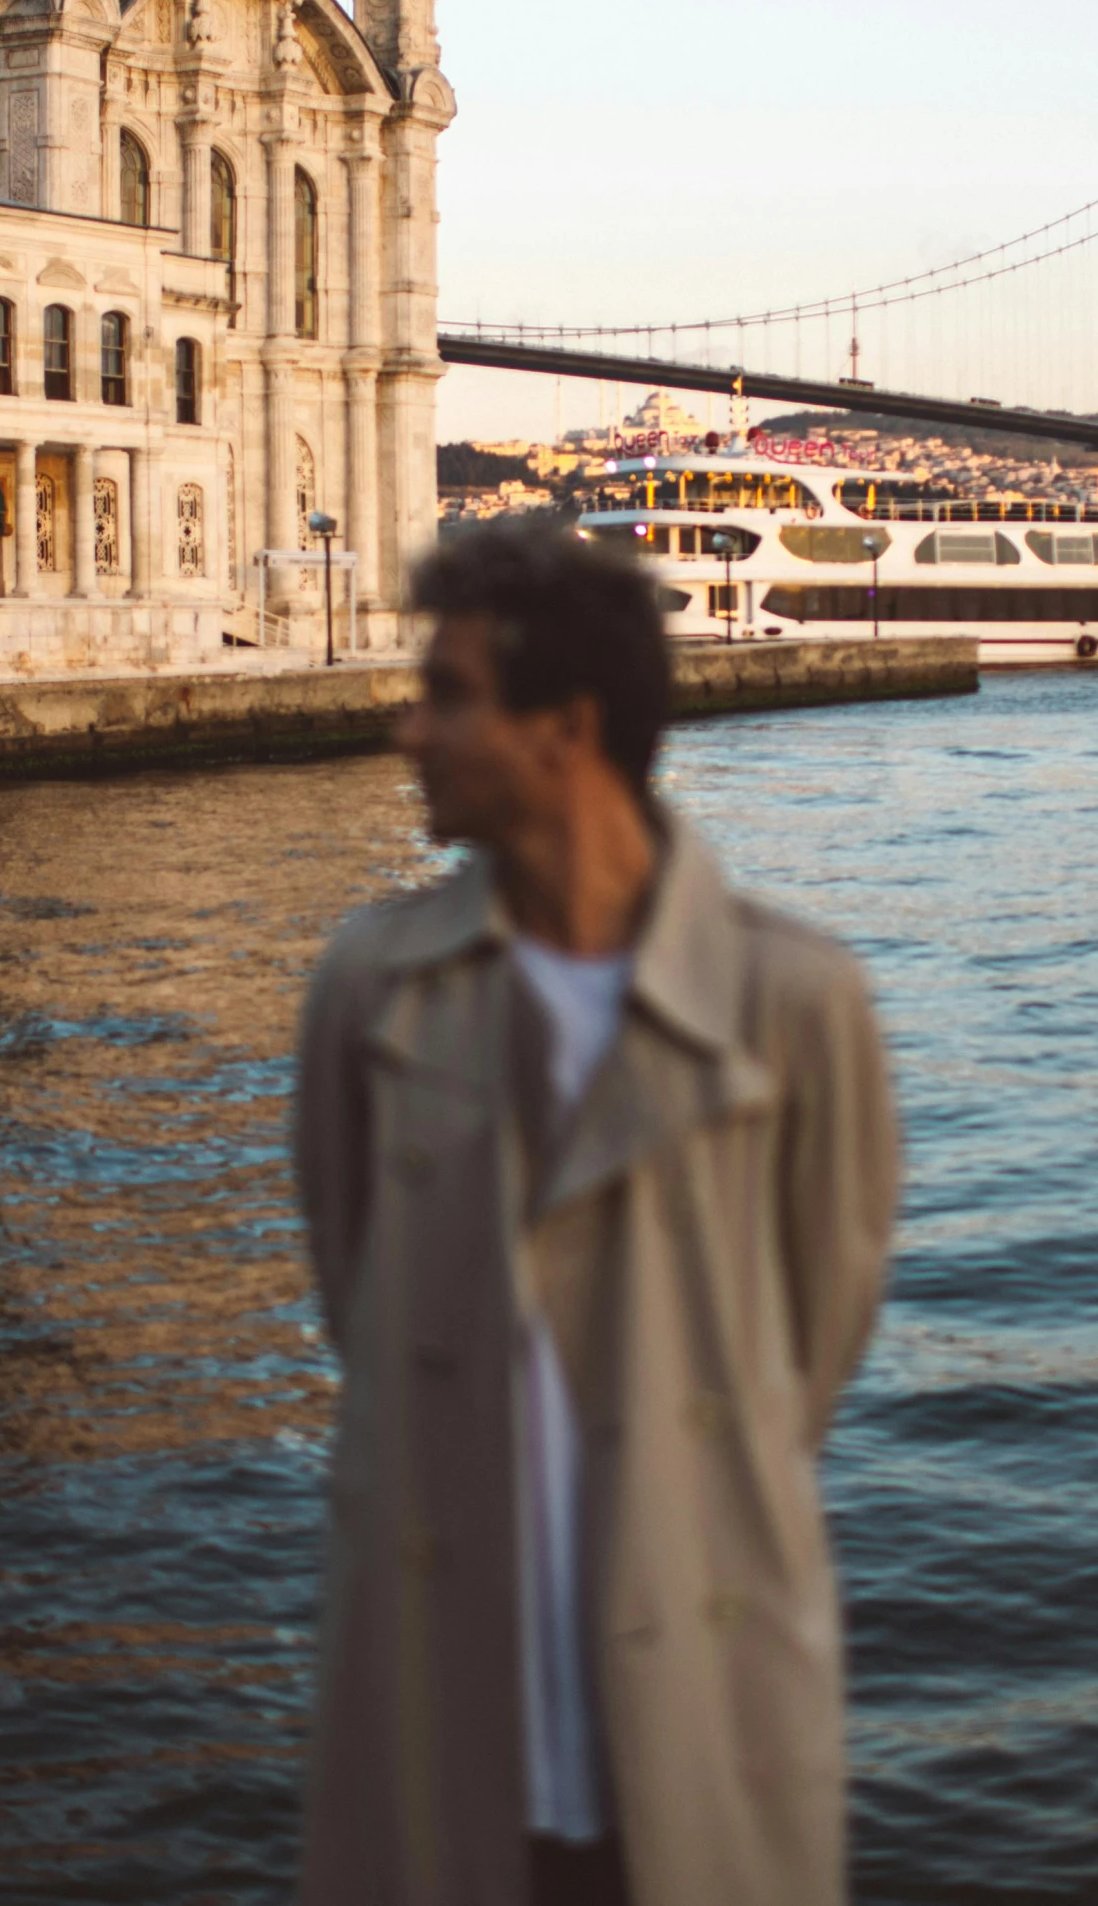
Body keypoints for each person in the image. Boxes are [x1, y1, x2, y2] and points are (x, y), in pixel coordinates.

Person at [293, 518, 899, 1906]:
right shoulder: (368, 989)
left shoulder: (796, 1001)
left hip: (696, 1714)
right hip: (442, 1719)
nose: (407, 730)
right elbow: (361, 1302)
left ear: (563, 727)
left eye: (446, 694)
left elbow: (802, 1358)